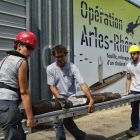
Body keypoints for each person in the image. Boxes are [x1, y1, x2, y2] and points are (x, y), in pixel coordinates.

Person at [46, 44, 94, 140]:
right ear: (54, 56)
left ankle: (81, 137)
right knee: (57, 123)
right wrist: (60, 98)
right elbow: (52, 86)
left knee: (67, 122)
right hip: (57, 97)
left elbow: (82, 83)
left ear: (66, 54)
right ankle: (81, 137)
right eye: (58, 57)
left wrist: (91, 99)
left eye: (62, 56)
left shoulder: (73, 67)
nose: (60, 59)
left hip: (71, 98)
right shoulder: (50, 68)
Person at [0, 31, 37, 140]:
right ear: (19, 46)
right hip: (8, 106)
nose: (30, 53)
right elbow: (24, 92)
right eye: (29, 48)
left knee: (20, 136)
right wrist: (30, 117)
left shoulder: (4, 59)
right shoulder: (21, 61)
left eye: (32, 49)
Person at [126, 45, 140, 137]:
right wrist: (127, 91)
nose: (132, 55)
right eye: (131, 54)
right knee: (134, 111)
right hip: (134, 91)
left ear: (139, 53)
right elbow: (128, 78)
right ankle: (135, 127)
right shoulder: (129, 65)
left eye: (134, 54)